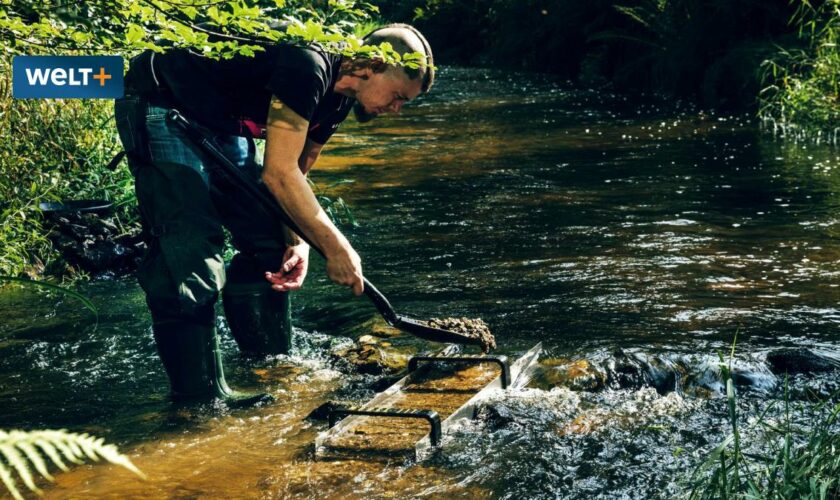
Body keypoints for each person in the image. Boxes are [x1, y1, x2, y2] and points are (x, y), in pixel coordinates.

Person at [114, 23, 434, 405]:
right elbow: (277, 173)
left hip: (218, 120)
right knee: (189, 255)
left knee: (271, 247)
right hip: (163, 104)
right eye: (399, 96)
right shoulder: (308, 66)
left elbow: (298, 166)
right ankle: (199, 405)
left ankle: (269, 367)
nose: (397, 109)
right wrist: (338, 247)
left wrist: (296, 241)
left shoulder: (341, 97)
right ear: (370, 65)